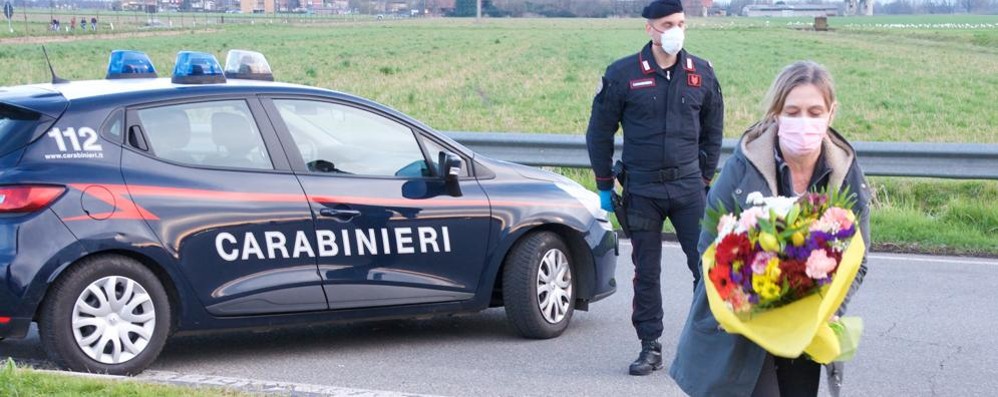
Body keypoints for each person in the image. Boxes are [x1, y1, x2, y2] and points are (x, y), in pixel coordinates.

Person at [669, 61, 871, 396]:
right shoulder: (743, 168)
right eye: (792, 111)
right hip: (746, 328)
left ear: (831, 113)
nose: (803, 121)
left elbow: (858, 260)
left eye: (814, 111)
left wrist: (827, 309)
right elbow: (709, 248)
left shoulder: (844, 174)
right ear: (776, 112)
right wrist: (745, 298)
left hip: (805, 330)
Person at [585, 0, 724, 376]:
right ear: (649, 28)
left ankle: (706, 342)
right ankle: (650, 346)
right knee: (646, 271)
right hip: (642, 190)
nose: (675, 30)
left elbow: (714, 128)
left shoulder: (701, 72)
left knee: (707, 267)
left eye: (680, 23)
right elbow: (599, 133)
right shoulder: (623, 74)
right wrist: (604, 185)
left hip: (688, 189)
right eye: (667, 24)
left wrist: (705, 178)